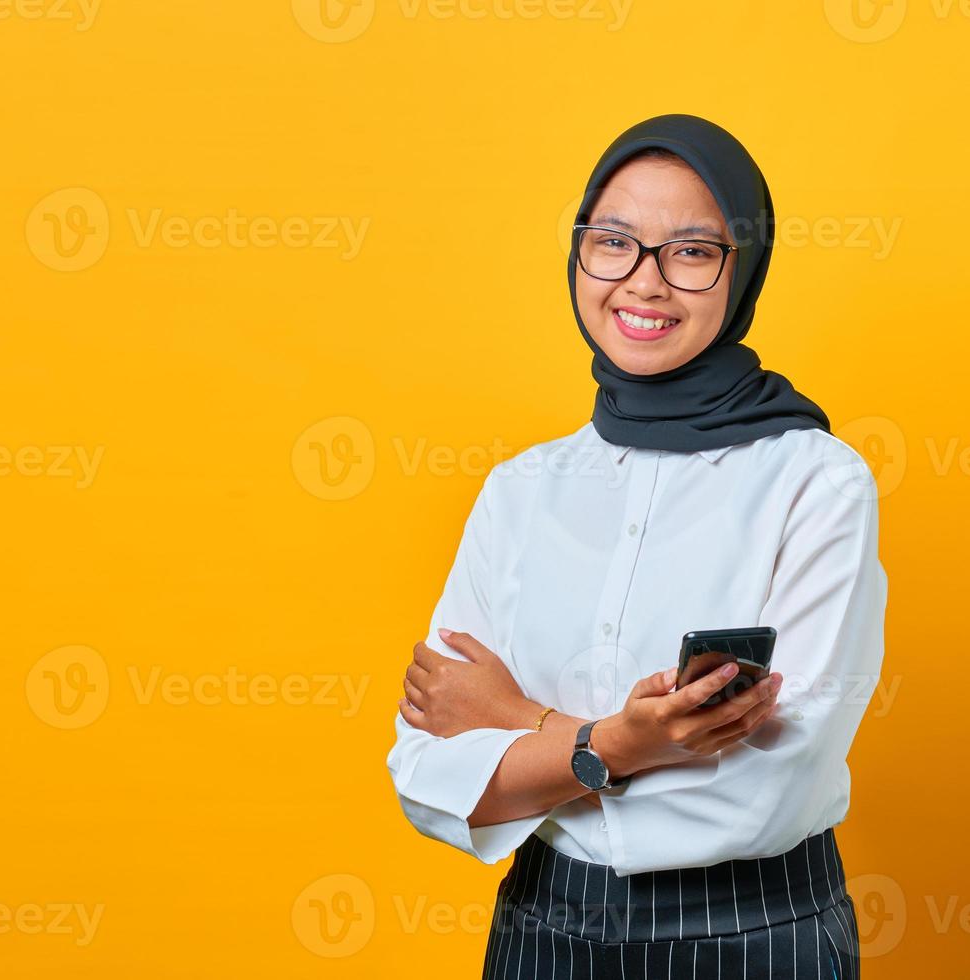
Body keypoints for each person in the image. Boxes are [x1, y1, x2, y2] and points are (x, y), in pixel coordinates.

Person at [387, 113, 887, 979]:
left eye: (691, 251)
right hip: (540, 932)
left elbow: (770, 785)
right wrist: (632, 739)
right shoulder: (519, 491)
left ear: (743, 271)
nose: (643, 284)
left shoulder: (816, 483)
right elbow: (429, 770)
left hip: (752, 934)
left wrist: (532, 729)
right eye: (613, 241)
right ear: (579, 252)